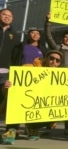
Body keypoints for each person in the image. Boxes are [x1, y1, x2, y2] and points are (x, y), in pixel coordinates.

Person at [0, 8, 20, 136]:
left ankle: (10, 133)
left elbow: (17, 56)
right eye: (4, 14)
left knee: (9, 103)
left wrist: (14, 74)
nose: (7, 17)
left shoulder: (15, 35)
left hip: (6, 73)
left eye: (9, 16)